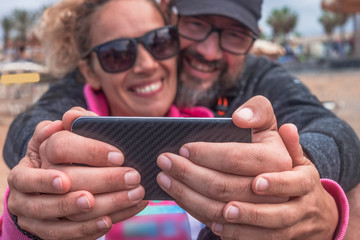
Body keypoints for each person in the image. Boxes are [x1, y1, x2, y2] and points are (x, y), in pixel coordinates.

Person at [2, 0, 359, 239]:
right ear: (174, 17)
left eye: (158, 42)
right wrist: (40, 186)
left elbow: (332, 131)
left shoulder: (245, 86)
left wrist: (296, 182)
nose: (208, 50)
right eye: (197, 26)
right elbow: (34, 125)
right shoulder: (83, 89)